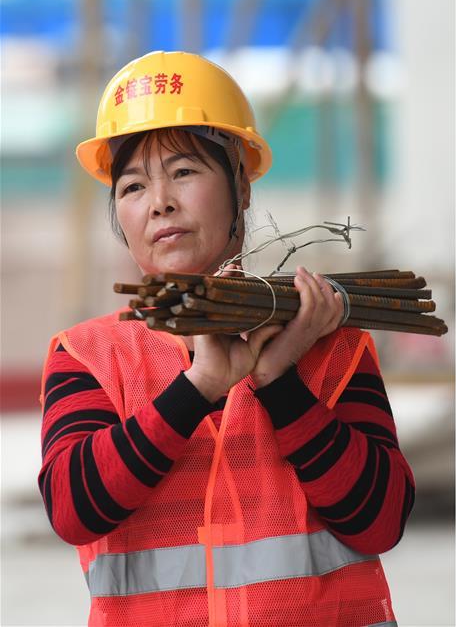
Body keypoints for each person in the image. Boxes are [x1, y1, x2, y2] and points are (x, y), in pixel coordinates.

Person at [37, 50, 413, 627]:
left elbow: (381, 521)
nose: (159, 200)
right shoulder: (89, 357)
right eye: (133, 185)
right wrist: (200, 385)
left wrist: (280, 381)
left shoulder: (331, 344)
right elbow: (73, 508)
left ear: (240, 184)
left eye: (184, 172)